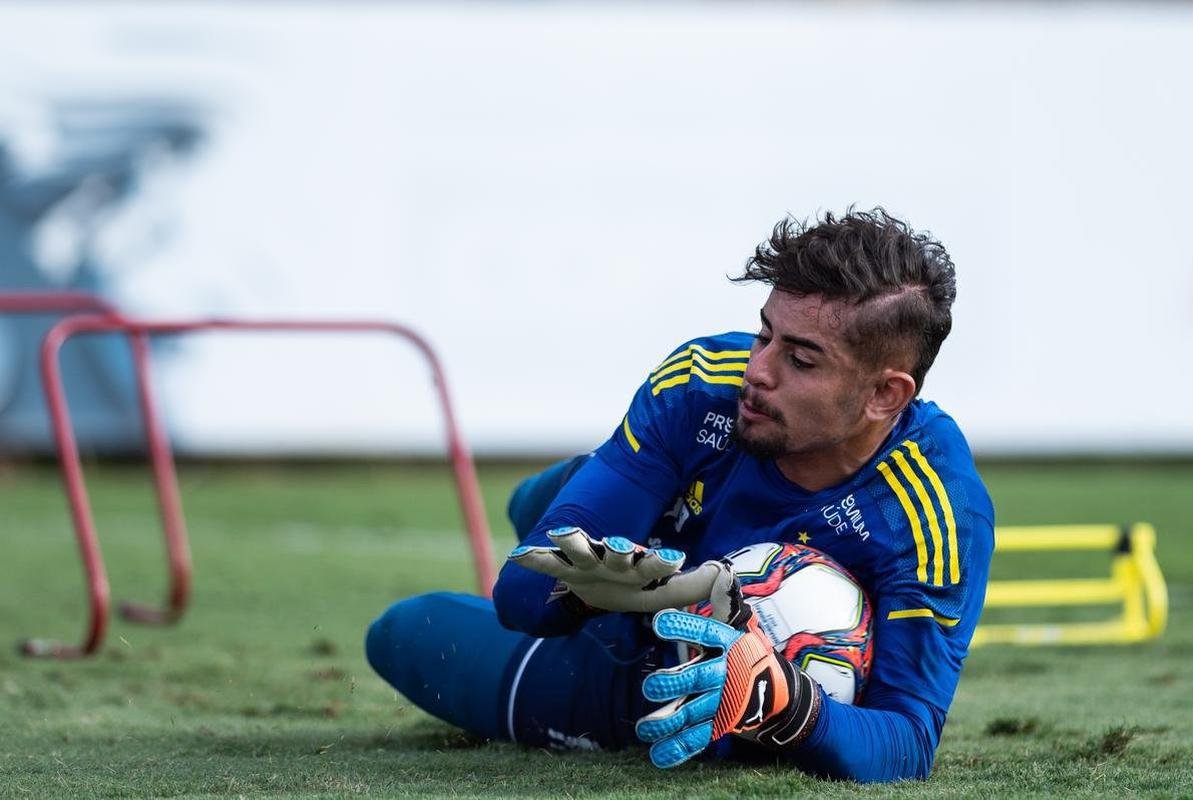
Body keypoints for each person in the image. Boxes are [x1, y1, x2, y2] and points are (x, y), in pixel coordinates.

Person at [365, 208, 994, 782]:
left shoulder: (936, 511)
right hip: (648, 559)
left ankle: (599, 523)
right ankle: (575, 502)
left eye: (800, 360)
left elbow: (907, 740)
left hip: (646, 677)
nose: (758, 370)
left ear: (885, 395)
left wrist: (790, 706)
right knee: (547, 512)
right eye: (764, 334)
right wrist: (580, 593)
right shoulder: (700, 384)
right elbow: (522, 595)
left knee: (404, 631)